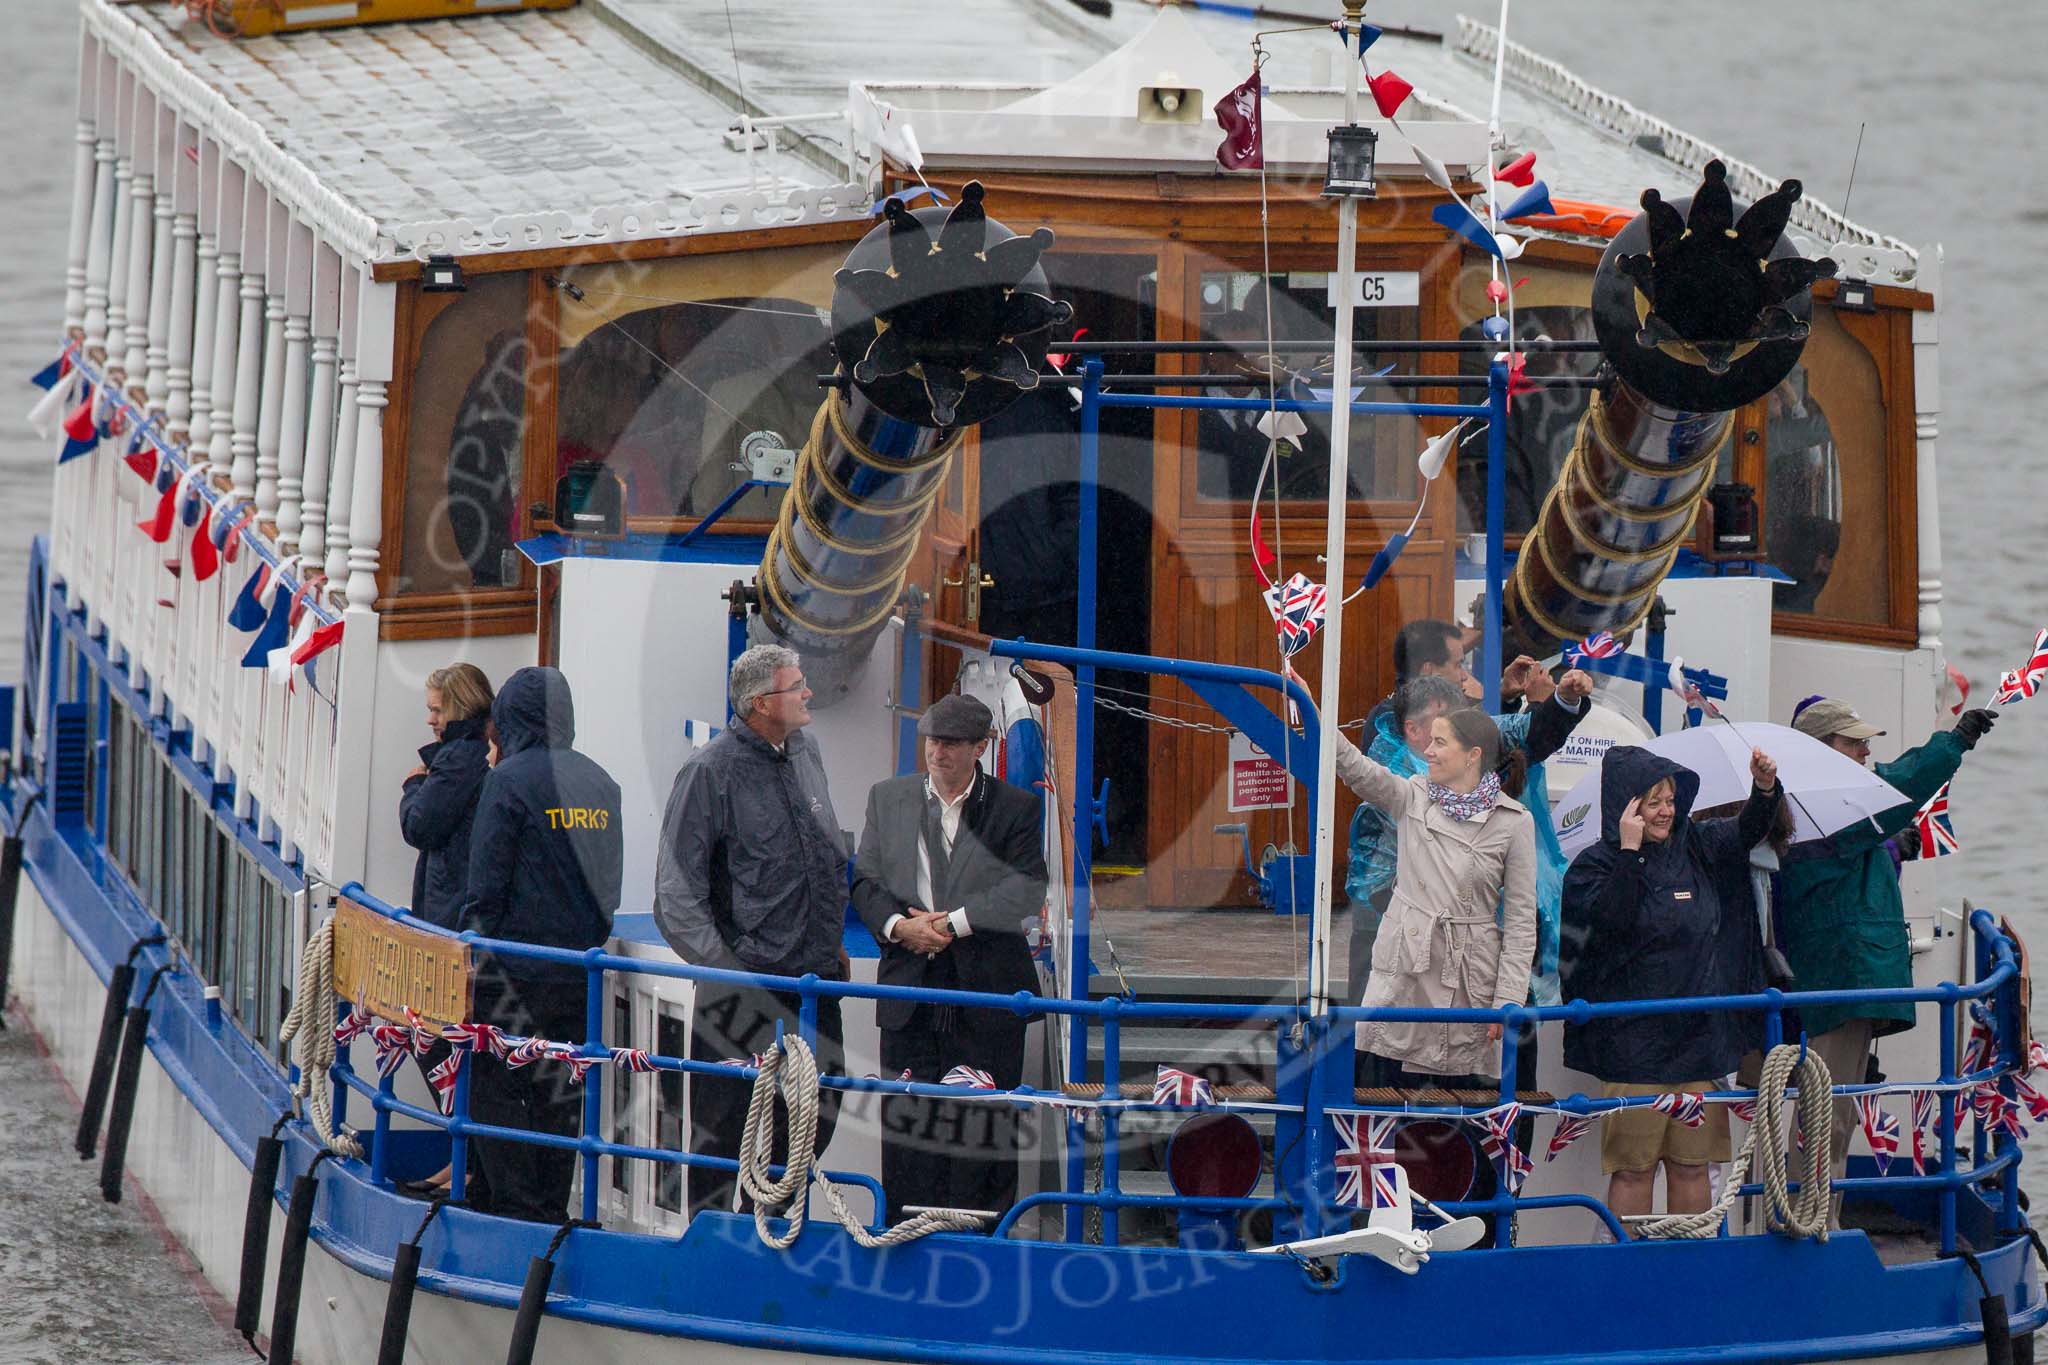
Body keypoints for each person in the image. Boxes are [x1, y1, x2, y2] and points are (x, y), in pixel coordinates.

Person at [653, 644, 852, 1218]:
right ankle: (720, 1252)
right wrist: (733, 975)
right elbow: (674, 897)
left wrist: (831, 937)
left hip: (817, 985)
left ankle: (773, 1234)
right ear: (761, 704)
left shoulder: (807, 751)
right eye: (797, 687)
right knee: (726, 1136)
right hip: (744, 994)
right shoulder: (708, 772)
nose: (808, 693)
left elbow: (823, 853)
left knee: (820, 1115)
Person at [1776, 697, 1997, 1208]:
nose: (1864, 754)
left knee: (1836, 1114)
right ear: (1820, 751)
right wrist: (1954, 740)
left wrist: (1888, 847)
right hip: (1835, 984)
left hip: (1843, 984)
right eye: (1852, 745)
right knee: (1823, 1115)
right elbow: (1897, 789)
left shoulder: (1810, 807)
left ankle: (1814, 1222)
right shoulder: (1818, 807)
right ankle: (1806, 1225)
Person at [1559, 744, 1782, 1219]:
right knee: (1634, 1170)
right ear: (1627, 805)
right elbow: (1612, 924)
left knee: (1691, 1166)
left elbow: (1746, 831)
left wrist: (1764, 790)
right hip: (1633, 1048)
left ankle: (1690, 1268)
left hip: (1698, 1042)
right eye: (1653, 801)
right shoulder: (1594, 866)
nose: (1665, 812)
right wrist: (1630, 853)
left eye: (1670, 800)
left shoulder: (1697, 847)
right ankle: (1629, 1274)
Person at [851, 693, 1049, 1220]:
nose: (938, 753)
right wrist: (900, 927)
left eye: (953, 744)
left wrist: (951, 924)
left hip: (986, 995)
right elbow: (866, 882)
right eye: (933, 741)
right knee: (908, 1126)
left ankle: (980, 1246)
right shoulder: (885, 798)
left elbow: (1027, 890)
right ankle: (905, 1238)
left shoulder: (1016, 808)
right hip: (908, 997)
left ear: (981, 747)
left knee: (983, 1130)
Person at [460, 666, 623, 1222]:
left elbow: (485, 887)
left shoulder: (506, 782)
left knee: (494, 1083)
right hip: (579, 970)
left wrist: (476, 956)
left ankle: (515, 1205)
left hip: (512, 970)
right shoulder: (602, 784)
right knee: (561, 1090)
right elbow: (610, 887)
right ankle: (552, 1204)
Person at [1335, 708, 1537, 1085]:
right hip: (1406, 974)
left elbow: (1522, 922)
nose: (1427, 750)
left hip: (1469, 980)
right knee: (1390, 1104)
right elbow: (1355, 769)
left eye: (1440, 742)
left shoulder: (1514, 822)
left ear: (1472, 755)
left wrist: (1508, 1000)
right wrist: (1314, 708)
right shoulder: (1412, 796)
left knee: (1461, 1112)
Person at [401, 664, 495, 930]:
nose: (430, 720)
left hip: (449, 909)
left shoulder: (457, 760)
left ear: (460, 708)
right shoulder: (479, 752)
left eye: (437, 710)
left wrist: (414, 785)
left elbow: (418, 827)